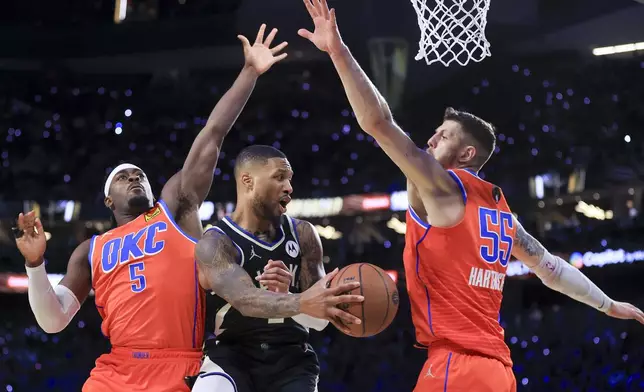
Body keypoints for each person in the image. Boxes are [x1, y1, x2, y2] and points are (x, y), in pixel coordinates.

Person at [296, 1, 644, 391]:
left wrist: (338, 50)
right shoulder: (503, 215)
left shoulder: (442, 186)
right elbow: (552, 270)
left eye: (442, 135)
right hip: (498, 372)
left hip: (455, 367)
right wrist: (607, 304)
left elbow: (378, 123)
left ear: (466, 155)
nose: (430, 139)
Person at [13, 24, 289, 392]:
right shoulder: (90, 251)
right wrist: (35, 266)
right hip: (117, 369)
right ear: (109, 199)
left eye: (140, 174)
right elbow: (53, 321)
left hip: (182, 363)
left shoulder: (175, 208)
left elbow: (212, 134)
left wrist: (249, 72)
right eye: (124, 176)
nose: (135, 177)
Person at [192, 145, 364, 392]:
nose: (289, 187)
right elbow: (245, 300)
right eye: (279, 177)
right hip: (232, 357)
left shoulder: (303, 234)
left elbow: (319, 323)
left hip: (291, 360)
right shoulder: (216, 242)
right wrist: (298, 301)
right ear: (248, 181)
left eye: (290, 179)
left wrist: (288, 296)